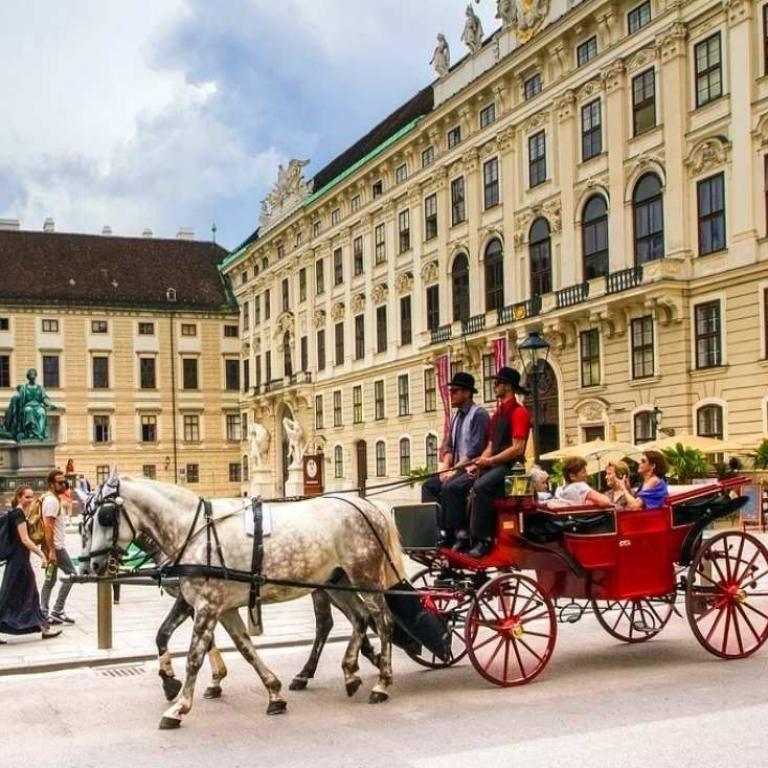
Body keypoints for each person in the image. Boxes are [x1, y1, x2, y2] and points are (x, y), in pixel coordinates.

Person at [467, 367, 531, 558]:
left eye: (498, 383)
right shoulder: (497, 414)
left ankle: (484, 539)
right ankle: (465, 536)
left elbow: (517, 448)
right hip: (496, 464)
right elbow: (491, 444)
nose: (494, 386)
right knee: (467, 485)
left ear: (508, 386)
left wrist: (490, 460)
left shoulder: (519, 412)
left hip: (512, 467)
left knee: (481, 486)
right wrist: (478, 462)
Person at [421, 372, 489, 550]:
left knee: (450, 487)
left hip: (472, 469)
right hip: (455, 468)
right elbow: (449, 447)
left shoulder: (479, 414)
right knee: (429, 486)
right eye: (451, 391)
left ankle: (460, 533)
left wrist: (453, 471)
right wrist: (445, 468)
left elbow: (475, 449)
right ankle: (437, 530)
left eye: (455, 391)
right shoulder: (455, 417)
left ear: (467, 393)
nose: (451, 395)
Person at [0, 486, 61, 640]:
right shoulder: (19, 513)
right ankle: (44, 628)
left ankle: (44, 628)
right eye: (27, 497)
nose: (30, 500)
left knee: (20, 595)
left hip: (18, 561)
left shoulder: (16, 513)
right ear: (19, 497)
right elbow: (25, 539)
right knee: (20, 595)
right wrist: (42, 554)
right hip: (19, 562)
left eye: (32, 497)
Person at [40, 469, 77, 624]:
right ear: (51, 484)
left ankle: (44, 613)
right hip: (56, 548)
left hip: (53, 547)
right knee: (72, 574)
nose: (64, 484)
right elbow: (48, 527)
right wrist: (52, 551)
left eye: (64, 481)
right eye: (60, 482)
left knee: (50, 580)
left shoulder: (52, 499)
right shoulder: (52, 501)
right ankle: (57, 610)